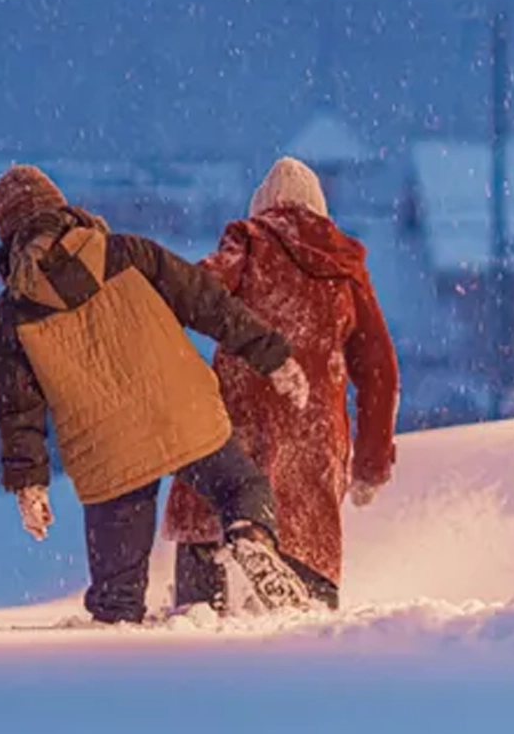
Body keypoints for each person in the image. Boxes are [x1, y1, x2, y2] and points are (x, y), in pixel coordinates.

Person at [0, 164, 317, 625]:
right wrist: (272, 357)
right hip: (182, 413)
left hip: (108, 455)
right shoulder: (127, 253)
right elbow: (208, 304)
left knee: (117, 603)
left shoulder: (9, 316)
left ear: (5, 234)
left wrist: (29, 484)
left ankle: (118, 679)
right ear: (62, 208)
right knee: (241, 487)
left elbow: (17, 409)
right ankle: (250, 537)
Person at [162, 156, 400, 614]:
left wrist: (139, 289)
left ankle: (202, 613)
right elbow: (379, 373)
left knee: (206, 575)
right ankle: (304, 631)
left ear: (262, 207)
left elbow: (195, 289)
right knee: (307, 599)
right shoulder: (347, 269)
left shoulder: (248, 244)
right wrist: (371, 463)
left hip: (233, 430)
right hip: (312, 446)